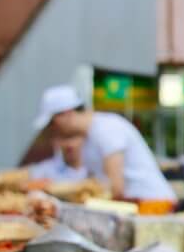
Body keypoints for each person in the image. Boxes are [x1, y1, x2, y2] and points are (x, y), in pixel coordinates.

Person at [26, 85, 176, 205]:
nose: (53, 129)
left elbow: (116, 188)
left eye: (52, 122)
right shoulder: (89, 137)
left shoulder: (106, 129)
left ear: (67, 113)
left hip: (153, 206)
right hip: (134, 206)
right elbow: (94, 182)